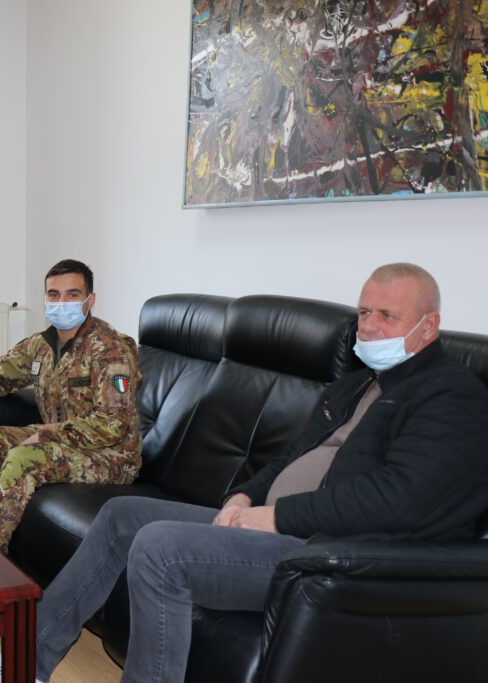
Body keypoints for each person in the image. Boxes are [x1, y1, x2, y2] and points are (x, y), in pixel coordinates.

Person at [25, 263, 488, 683]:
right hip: (277, 529)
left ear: (429, 326)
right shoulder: (357, 383)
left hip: (324, 554)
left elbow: (397, 499)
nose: (369, 327)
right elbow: (289, 460)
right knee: (122, 514)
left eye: (387, 316)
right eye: (364, 312)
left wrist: (277, 517)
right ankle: (28, 663)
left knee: (160, 547)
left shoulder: (450, 395)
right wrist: (244, 497)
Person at [0, 259, 142, 551]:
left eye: (72, 294)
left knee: (24, 457)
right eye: (53, 295)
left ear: (90, 300)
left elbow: (113, 425)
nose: (62, 302)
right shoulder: (41, 345)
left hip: (109, 457)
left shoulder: (111, 349)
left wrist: (48, 434)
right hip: (60, 442)